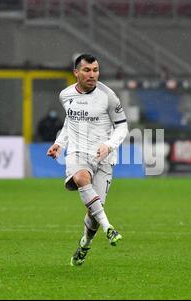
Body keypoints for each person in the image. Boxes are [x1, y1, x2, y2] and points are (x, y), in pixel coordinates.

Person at [47, 54, 129, 266]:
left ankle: (84, 244)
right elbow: (70, 122)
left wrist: (108, 145)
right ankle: (109, 228)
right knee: (82, 178)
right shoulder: (65, 95)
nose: (92, 75)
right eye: (87, 70)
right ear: (76, 72)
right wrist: (59, 143)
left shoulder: (108, 96)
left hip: (104, 157)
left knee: (94, 211)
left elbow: (122, 126)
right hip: (77, 154)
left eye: (95, 70)